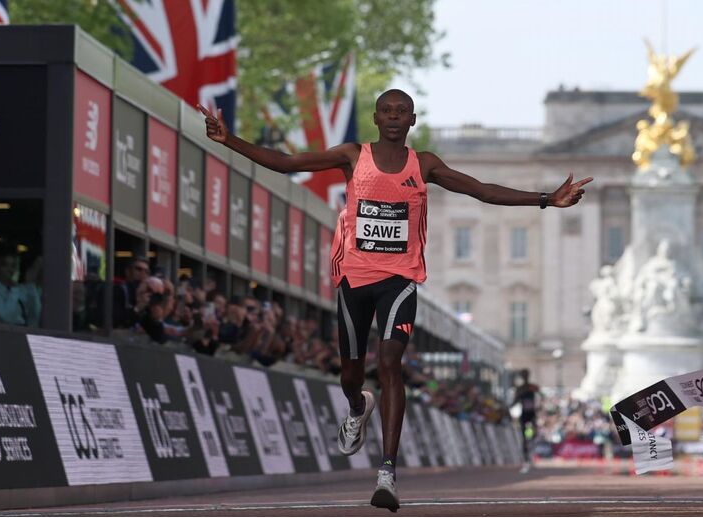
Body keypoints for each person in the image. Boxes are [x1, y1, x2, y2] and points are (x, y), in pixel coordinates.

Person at [198, 90, 592, 511]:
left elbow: (480, 190)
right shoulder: (353, 156)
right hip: (354, 278)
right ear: (375, 118)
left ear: (412, 120)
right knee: (351, 374)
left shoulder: (424, 165)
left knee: (389, 363)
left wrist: (546, 199)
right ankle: (357, 406)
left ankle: (387, 471)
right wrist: (230, 140)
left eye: (401, 112)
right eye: (386, 111)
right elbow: (288, 163)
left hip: (400, 280)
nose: (393, 117)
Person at [0, 246, 42, 327]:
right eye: (4, 265)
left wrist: (30, 285)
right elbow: (7, 318)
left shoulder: (20, 290)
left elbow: (34, 315)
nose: (10, 270)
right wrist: (14, 288)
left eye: (13, 265)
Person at [512, 369, 540, 473]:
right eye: (523, 375)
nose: (525, 377)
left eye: (526, 375)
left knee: (533, 433)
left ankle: (531, 447)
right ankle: (526, 459)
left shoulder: (532, 387)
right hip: (524, 414)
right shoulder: (520, 389)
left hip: (532, 414)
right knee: (524, 437)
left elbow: (539, 393)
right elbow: (515, 401)